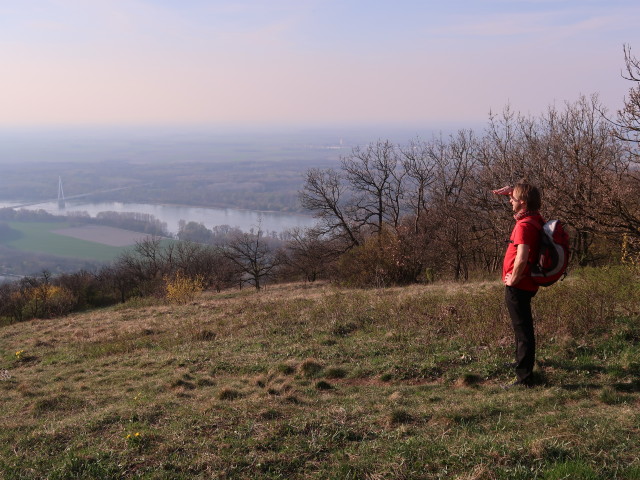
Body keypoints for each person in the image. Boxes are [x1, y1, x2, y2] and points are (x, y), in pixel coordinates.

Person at [494, 182, 544, 388]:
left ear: (522, 202)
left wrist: (513, 278)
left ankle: (524, 378)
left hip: (519, 285)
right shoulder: (534, 218)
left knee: (523, 331)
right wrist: (513, 189)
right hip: (527, 283)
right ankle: (521, 363)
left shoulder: (523, 226)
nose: (509, 201)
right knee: (521, 328)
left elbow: (522, 257)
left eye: (512, 199)